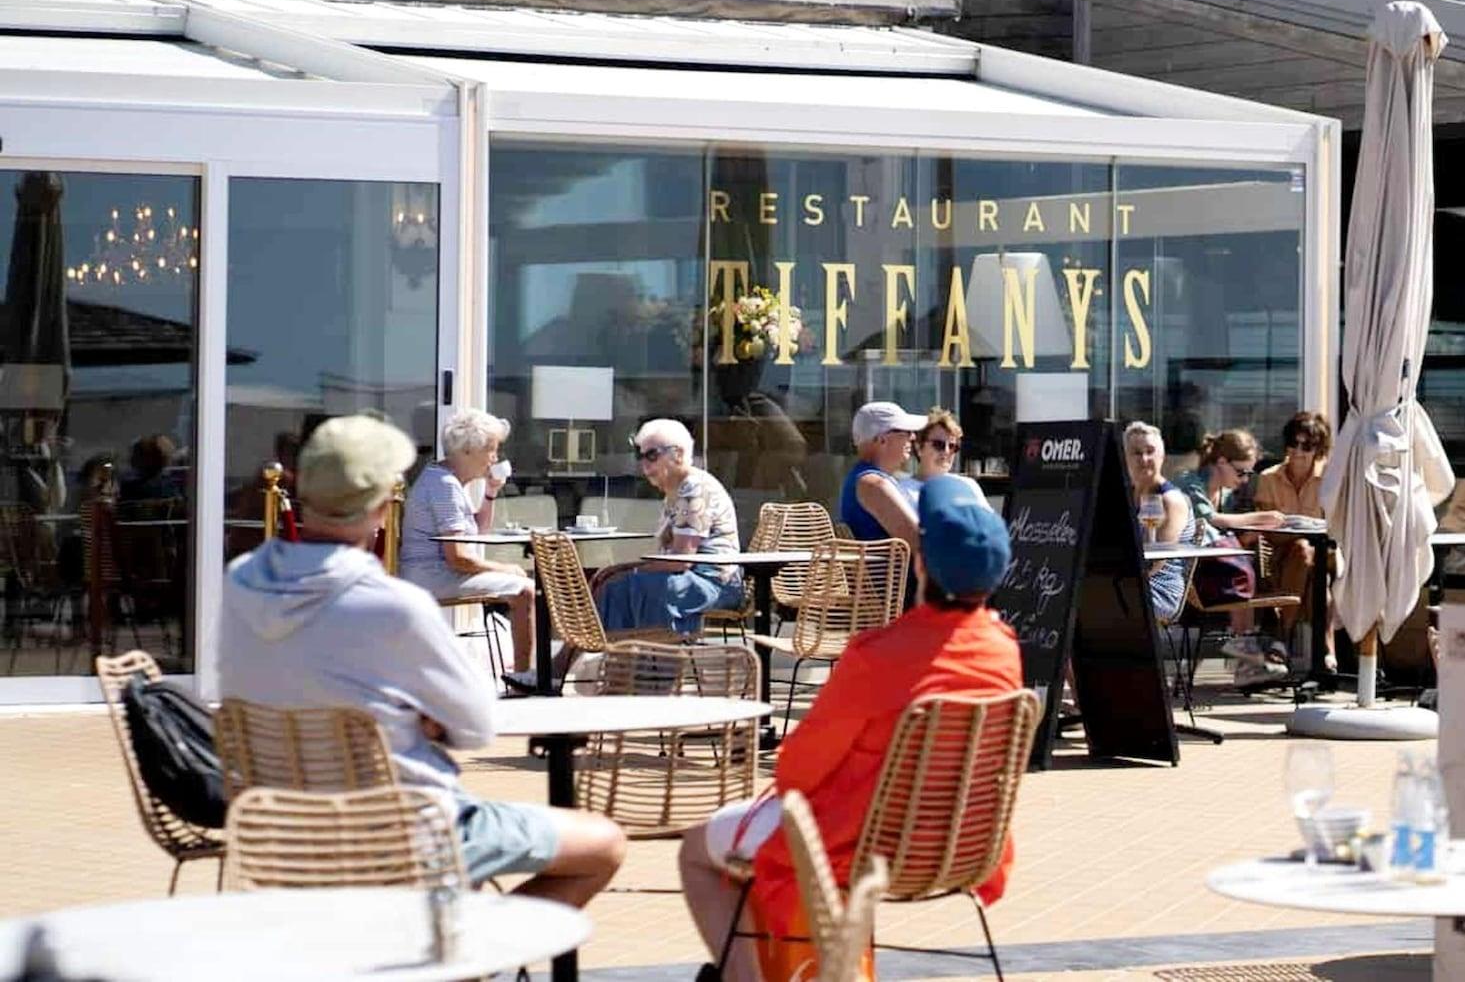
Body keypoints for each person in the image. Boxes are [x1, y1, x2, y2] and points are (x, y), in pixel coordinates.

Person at [217, 414, 626, 905]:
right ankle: (478, 944)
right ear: (381, 507)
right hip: (408, 831)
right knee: (604, 843)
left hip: (285, 833)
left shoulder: (239, 584)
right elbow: (476, 726)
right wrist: (420, 716)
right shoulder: (393, 607)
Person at [678, 476, 1022, 982]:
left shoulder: (878, 656)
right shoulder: (1004, 650)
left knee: (697, 851)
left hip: (858, 846)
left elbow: (798, 771)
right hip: (960, 846)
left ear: (921, 564)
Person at [399, 408, 537, 687]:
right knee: (524, 590)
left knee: (521, 585)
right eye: (490, 449)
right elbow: (459, 558)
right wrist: (506, 568)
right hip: (430, 576)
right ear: (466, 450)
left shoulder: (443, 479)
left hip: (433, 571)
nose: (494, 457)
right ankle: (524, 675)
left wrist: (491, 492)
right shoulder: (445, 486)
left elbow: (476, 532)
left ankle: (524, 672)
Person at [593, 419, 743, 637]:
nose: (644, 465)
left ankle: (655, 655)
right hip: (687, 578)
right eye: (640, 456)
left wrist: (632, 570)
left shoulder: (694, 488)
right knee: (615, 586)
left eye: (652, 455)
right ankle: (622, 652)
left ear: (678, 454)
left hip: (714, 583)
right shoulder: (674, 491)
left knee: (642, 586)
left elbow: (681, 560)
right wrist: (622, 571)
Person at [1174, 429, 1289, 684]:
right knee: (1238, 567)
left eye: (1249, 474)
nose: (1245, 480)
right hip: (1187, 574)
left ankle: (1246, 653)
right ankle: (1246, 650)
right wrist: (1261, 517)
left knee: (1244, 564)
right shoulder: (1190, 483)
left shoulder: (1225, 494)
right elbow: (1211, 520)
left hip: (1215, 570)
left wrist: (1253, 531)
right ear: (1221, 462)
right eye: (1241, 472)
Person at [1249, 410, 1333, 663]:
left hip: (1324, 554)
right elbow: (1264, 529)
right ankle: (1327, 651)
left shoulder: (1330, 478)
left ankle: (1281, 637)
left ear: (1318, 449)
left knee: (1307, 553)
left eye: (1306, 446)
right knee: (1315, 574)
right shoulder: (1268, 478)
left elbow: (1336, 526)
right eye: (1293, 443)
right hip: (1279, 557)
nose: (1298, 451)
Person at [1124, 421, 1194, 623]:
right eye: (1137, 453)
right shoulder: (1128, 494)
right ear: (1125, 457)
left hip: (1158, 589)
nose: (1144, 459)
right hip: (1127, 582)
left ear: (1162, 456)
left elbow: (1155, 561)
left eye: (1150, 451)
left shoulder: (1168, 499)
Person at [838, 401, 924, 549]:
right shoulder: (873, 484)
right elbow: (920, 542)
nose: (913, 437)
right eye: (906, 431)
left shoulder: (869, 479)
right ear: (882, 439)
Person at [900, 407, 990, 511]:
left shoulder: (968, 485)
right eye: (938, 444)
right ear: (919, 447)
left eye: (952, 446)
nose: (946, 451)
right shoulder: (901, 491)